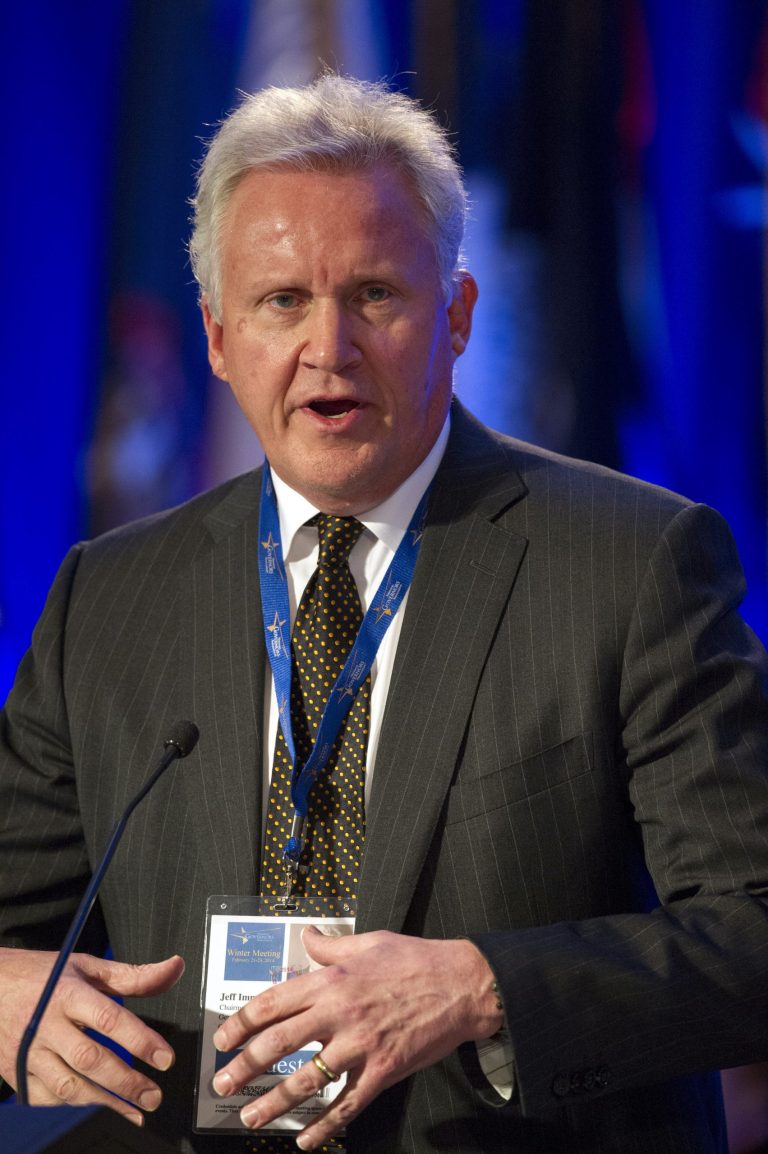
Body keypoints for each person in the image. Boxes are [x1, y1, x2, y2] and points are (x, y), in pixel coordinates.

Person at [1, 74, 767, 1154]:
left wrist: (483, 986)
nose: (329, 347)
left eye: (374, 294)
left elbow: (752, 929)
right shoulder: (109, 597)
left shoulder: (633, 563)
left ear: (455, 315)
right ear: (217, 337)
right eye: (281, 302)